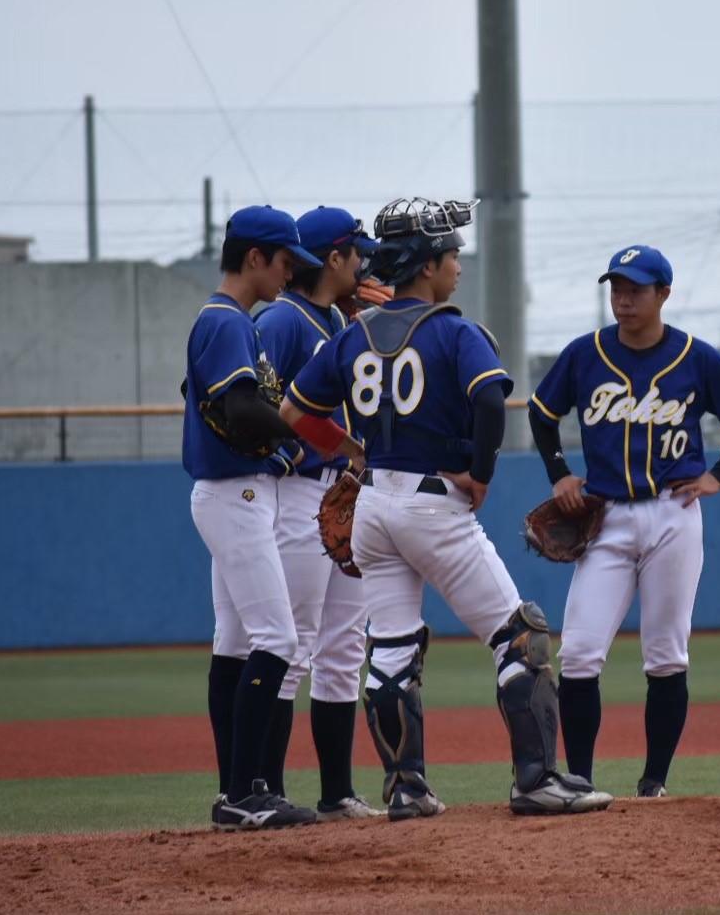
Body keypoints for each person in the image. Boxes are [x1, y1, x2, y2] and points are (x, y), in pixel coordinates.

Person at [280, 197, 612, 820]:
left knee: (392, 649)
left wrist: (355, 456)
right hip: (435, 506)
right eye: (452, 254)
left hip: (374, 506)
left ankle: (407, 789)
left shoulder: (353, 335)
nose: (458, 264)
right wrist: (481, 475)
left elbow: (295, 413)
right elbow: (490, 400)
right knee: (522, 638)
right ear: (428, 264)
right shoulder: (453, 330)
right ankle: (535, 780)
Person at [528, 245, 720, 797]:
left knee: (666, 653)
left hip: (673, 516)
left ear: (664, 295)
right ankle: (579, 776)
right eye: (616, 288)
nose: (623, 299)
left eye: (636, 289)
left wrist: (719, 475)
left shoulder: (698, 358)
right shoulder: (586, 354)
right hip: (605, 518)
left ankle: (654, 782)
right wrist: (559, 472)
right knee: (579, 652)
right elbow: (541, 411)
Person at [183, 204, 321, 831]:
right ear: (256, 258)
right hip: (235, 494)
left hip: (236, 492)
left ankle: (239, 790)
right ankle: (245, 790)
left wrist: (278, 441)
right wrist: (293, 439)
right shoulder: (227, 322)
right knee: (280, 640)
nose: (291, 274)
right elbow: (238, 405)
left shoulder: (230, 323)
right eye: (286, 261)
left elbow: (202, 396)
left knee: (237, 642)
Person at [252, 205, 389, 820]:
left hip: (348, 491)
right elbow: (263, 410)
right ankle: (265, 790)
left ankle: (337, 793)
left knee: (342, 649)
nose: (363, 262)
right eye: (355, 252)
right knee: (296, 644)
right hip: (299, 494)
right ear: (333, 257)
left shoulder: (339, 318)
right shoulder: (282, 320)